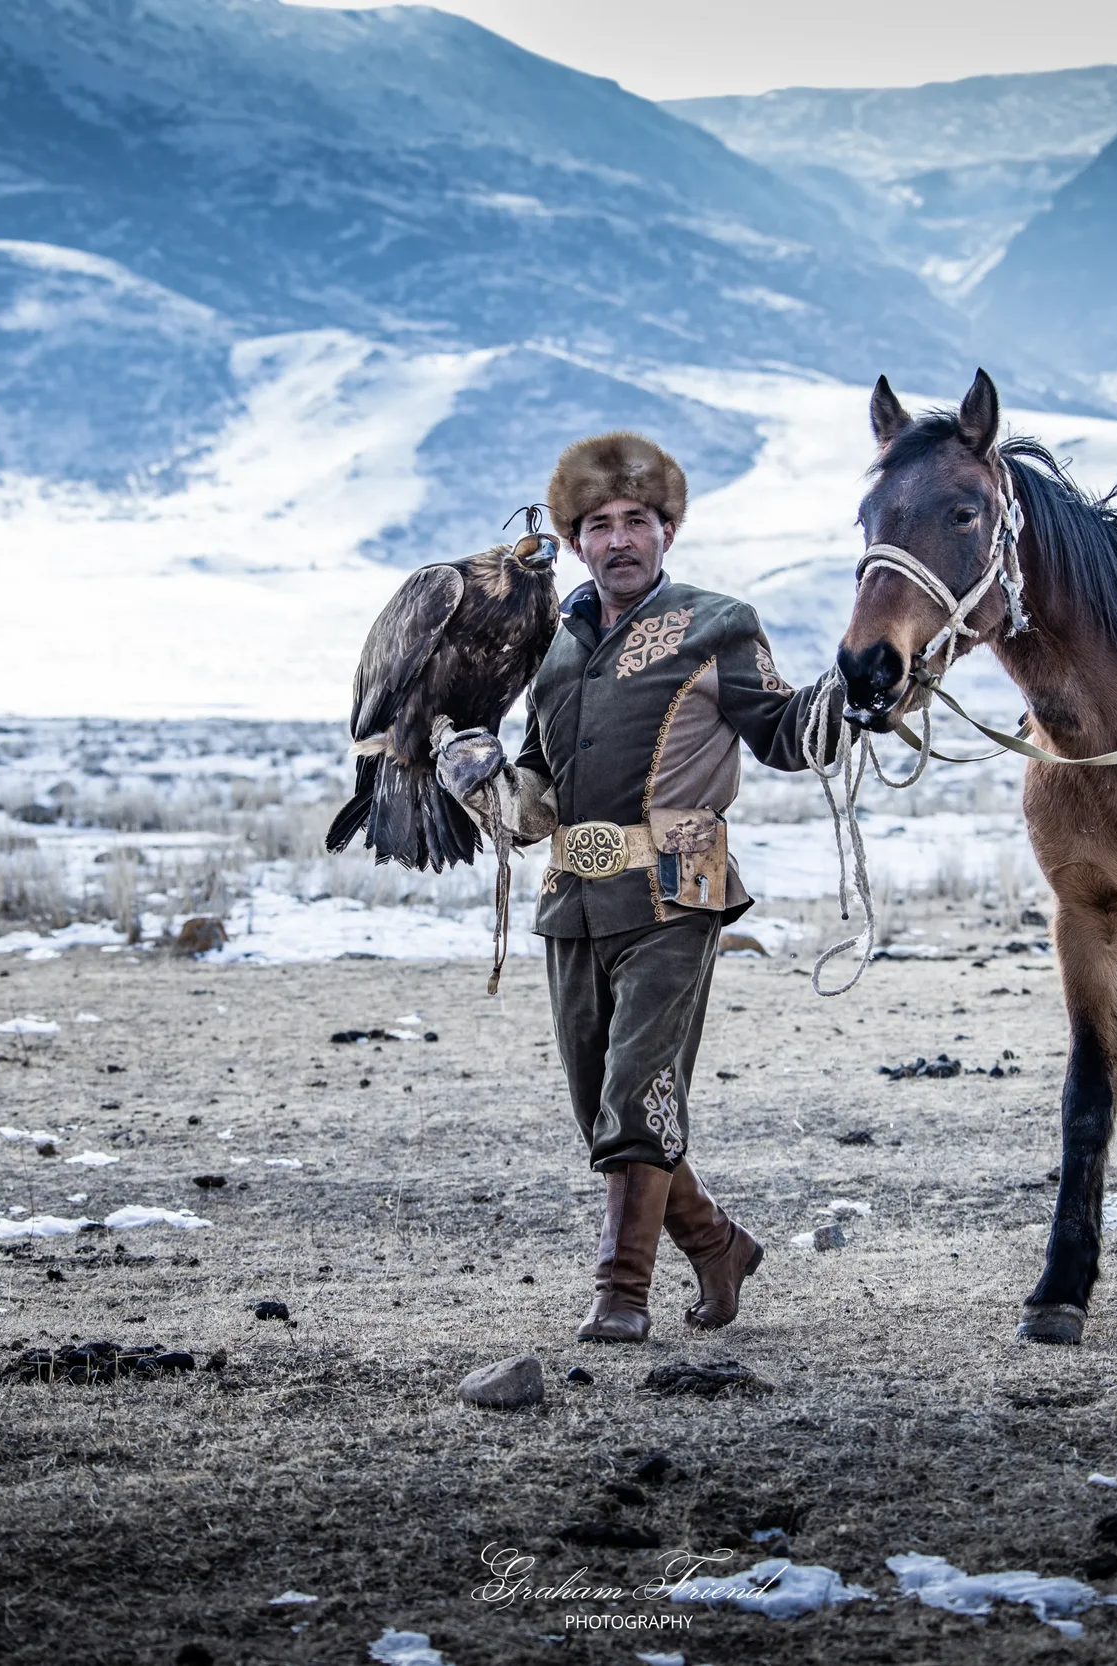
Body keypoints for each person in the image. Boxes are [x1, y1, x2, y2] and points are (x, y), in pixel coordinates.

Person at [435, 432, 831, 1342]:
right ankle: (719, 1243)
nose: (620, 539)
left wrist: (869, 685)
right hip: (571, 900)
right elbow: (536, 801)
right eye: (600, 524)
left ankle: (621, 1292)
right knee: (599, 1111)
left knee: (640, 1090)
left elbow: (786, 732)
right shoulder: (556, 648)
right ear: (575, 539)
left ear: (668, 530)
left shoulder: (718, 625)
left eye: (638, 521)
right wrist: (480, 781)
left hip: (677, 892)